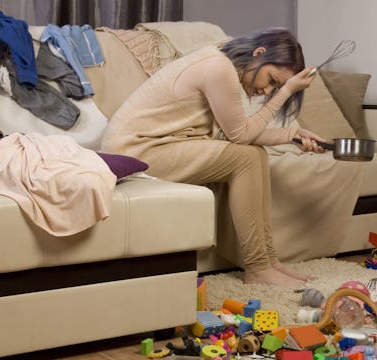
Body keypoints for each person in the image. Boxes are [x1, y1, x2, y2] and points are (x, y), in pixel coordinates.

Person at [101, 27, 327, 288]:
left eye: (275, 87)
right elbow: (240, 136)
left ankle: (267, 261)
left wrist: (294, 134)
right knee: (246, 158)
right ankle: (257, 268)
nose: (267, 91)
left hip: (156, 146)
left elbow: (239, 134)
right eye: (272, 80)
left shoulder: (221, 62)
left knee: (255, 155)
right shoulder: (218, 68)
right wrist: (286, 91)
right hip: (136, 151)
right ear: (259, 53)